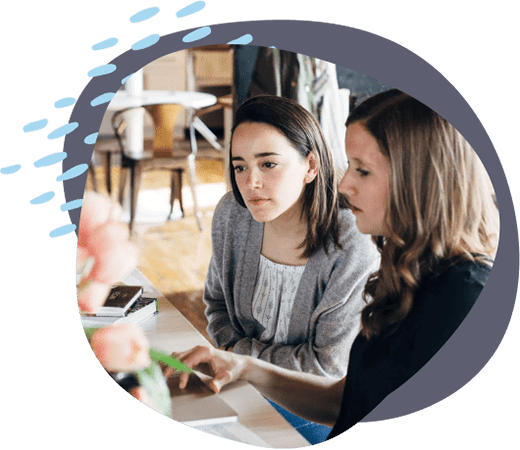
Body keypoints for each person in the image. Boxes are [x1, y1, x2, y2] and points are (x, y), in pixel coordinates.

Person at [167, 89, 499, 440]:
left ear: (419, 179)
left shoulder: (468, 300)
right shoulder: (409, 267)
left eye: (363, 171)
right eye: (240, 166)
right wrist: (244, 366)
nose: (344, 183)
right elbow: (348, 400)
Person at [203, 95, 379, 380]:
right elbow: (217, 303)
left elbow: (327, 367)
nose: (251, 183)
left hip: (319, 403)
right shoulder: (232, 215)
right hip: (242, 383)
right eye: (240, 166)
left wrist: (238, 355)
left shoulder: (352, 239)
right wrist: (233, 355)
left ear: (311, 166)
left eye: (268, 164)